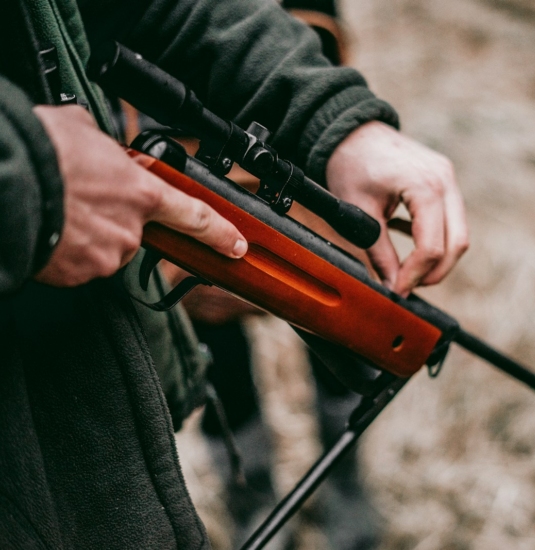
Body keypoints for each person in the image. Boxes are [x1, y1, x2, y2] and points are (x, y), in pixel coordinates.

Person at [0, 0, 468, 548]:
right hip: (141, 141)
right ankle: (250, 487)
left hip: (272, 56)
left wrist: (334, 117)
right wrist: (28, 176)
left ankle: (343, 473)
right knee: (212, 291)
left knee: (347, 287)